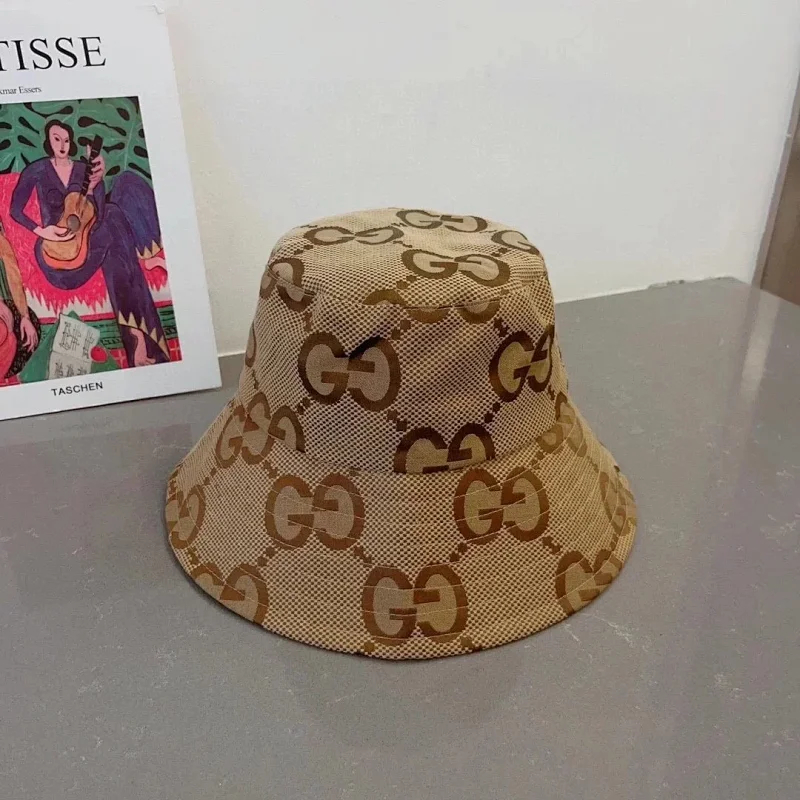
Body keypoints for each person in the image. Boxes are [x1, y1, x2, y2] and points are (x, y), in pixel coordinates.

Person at [10, 120, 169, 367]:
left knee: (123, 193)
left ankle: (137, 335)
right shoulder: (37, 170)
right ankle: (138, 331)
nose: (62, 145)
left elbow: (99, 213)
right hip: (57, 256)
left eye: (66, 140)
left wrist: (96, 185)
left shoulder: (82, 169)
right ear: (48, 141)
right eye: (56, 139)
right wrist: (42, 230)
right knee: (114, 225)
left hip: (89, 242)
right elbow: (15, 210)